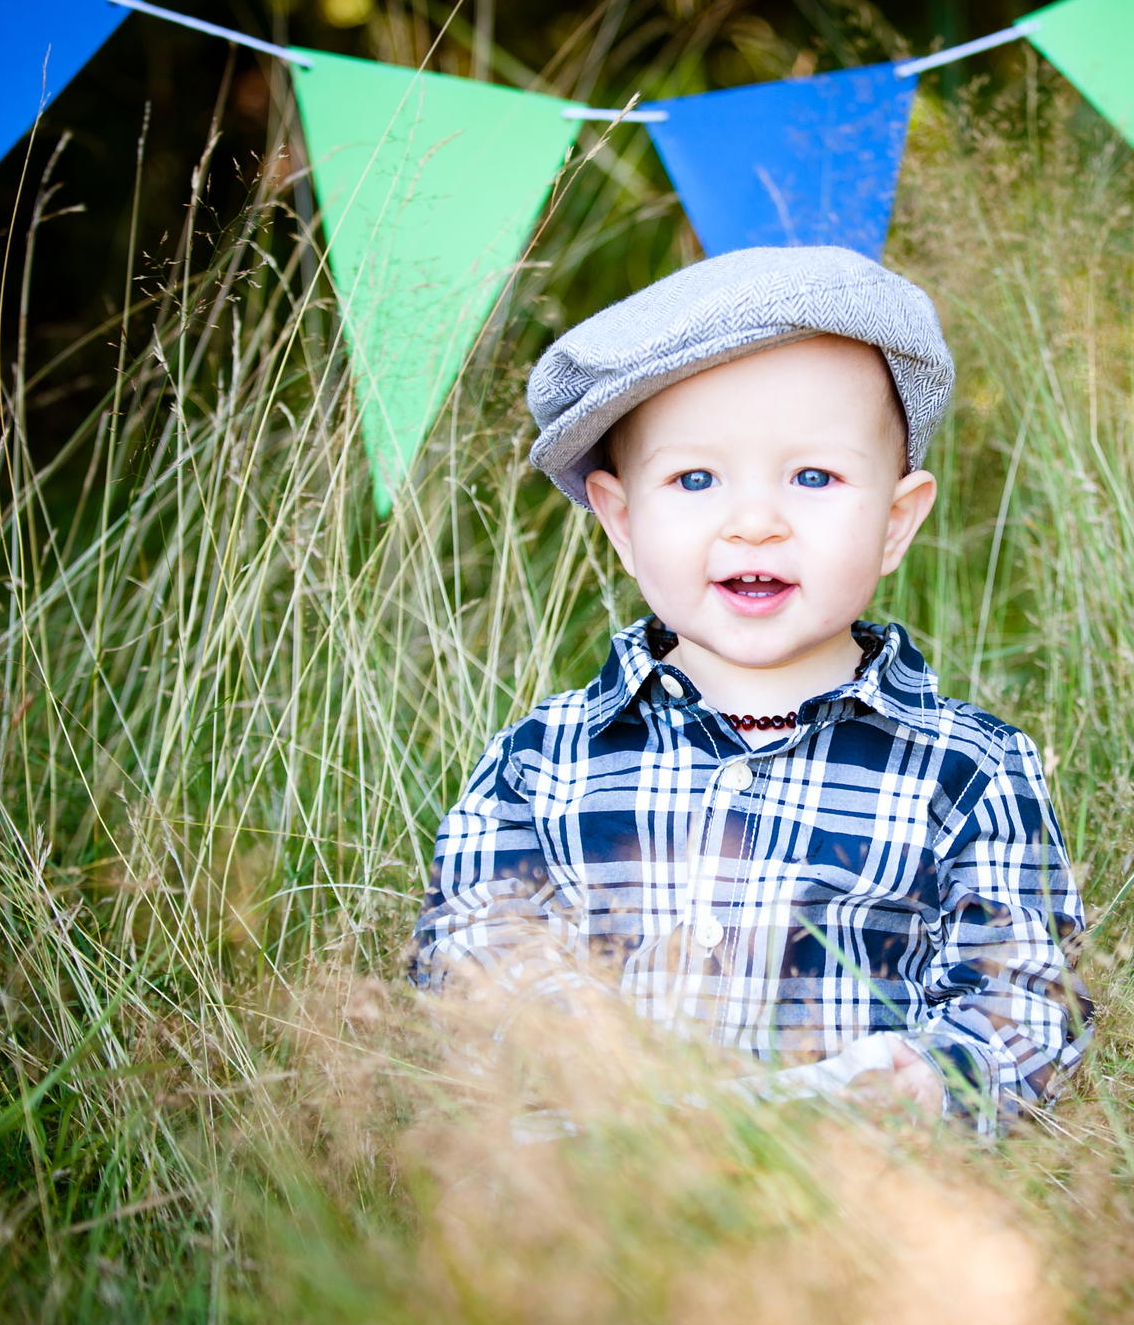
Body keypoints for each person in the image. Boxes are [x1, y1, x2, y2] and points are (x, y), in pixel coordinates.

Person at [405, 246, 1090, 1136]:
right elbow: (470, 949)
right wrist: (579, 1043)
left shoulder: (971, 773)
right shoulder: (545, 762)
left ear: (894, 522)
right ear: (621, 519)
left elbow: (1031, 999)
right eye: (695, 479)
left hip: (844, 1209)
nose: (755, 521)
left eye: (814, 477)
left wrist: (932, 1081)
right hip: (586, 1208)